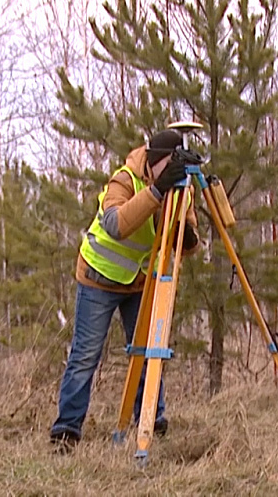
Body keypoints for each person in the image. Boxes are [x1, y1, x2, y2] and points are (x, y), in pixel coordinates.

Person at [49, 128, 201, 452]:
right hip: (98, 277)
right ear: (157, 161)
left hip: (139, 281)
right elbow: (115, 225)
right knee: (85, 356)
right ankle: (66, 431)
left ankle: (150, 420)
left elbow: (187, 242)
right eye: (170, 164)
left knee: (148, 352)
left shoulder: (181, 189)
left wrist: (184, 233)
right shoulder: (125, 179)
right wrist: (158, 192)